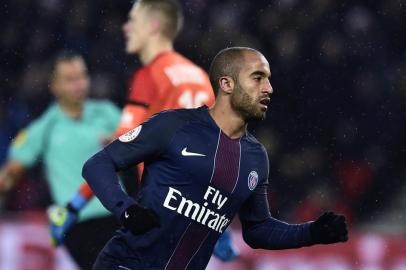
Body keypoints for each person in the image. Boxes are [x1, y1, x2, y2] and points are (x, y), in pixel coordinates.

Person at [82, 47, 349, 270]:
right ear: (226, 83)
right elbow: (98, 164)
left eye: (268, 79)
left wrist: (312, 232)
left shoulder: (256, 158)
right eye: (257, 78)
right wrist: (126, 209)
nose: (268, 88)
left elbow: (257, 230)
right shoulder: (174, 126)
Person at [50, 0, 237, 262]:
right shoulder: (198, 76)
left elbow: (116, 154)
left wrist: (73, 206)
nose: (126, 28)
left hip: (157, 212)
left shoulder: (149, 77)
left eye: (133, 21)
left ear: (153, 27)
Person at [0, 51, 121, 270]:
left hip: (119, 217)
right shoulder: (43, 129)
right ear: (54, 86)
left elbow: (143, 147)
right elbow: (10, 174)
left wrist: (123, 143)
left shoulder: (108, 114)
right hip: (80, 225)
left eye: (83, 76)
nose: (80, 84)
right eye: (70, 79)